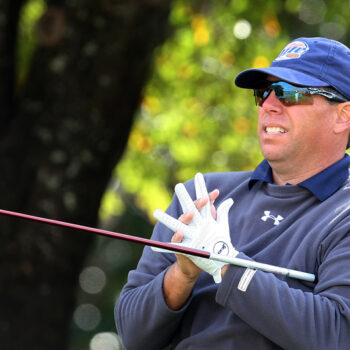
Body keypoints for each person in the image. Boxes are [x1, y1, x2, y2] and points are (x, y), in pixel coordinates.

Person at [115, 37, 350, 349]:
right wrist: (182, 274)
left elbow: (336, 336)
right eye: (263, 92)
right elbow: (132, 335)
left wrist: (226, 264)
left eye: (289, 93)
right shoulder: (200, 195)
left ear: (342, 117)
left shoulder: (343, 213)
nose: (268, 104)